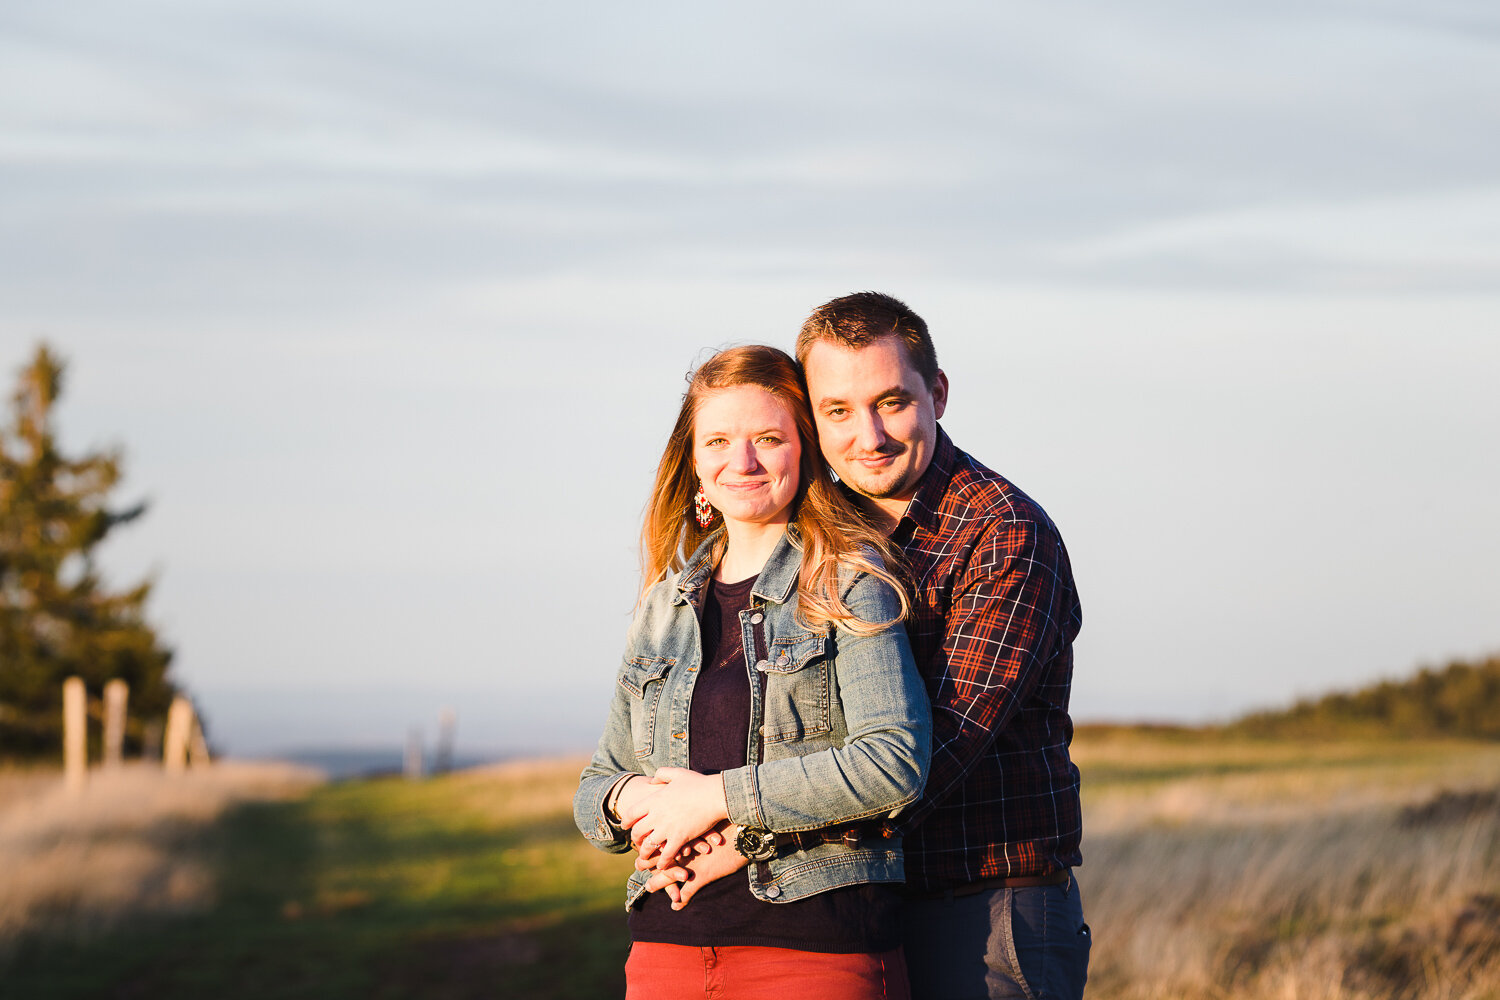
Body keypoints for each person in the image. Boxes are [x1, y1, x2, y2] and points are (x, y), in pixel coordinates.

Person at [650, 294, 1090, 1000]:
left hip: (979, 903)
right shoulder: (808, 537)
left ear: (937, 394)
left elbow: (935, 749)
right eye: (838, 411)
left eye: (892, 402)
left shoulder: (1004, 535)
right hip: (847, 911)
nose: (871, 435)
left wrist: (740, 830)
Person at [573, 344, 932, 1000]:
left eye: (768, 438)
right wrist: (640, 802)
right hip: (665, 949)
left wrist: (710, 801)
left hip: (811, 950)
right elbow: (597, 785)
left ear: (805, 449)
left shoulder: (848, 581)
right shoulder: (663, 606)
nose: (741, 462)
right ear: (695, 464)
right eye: (717, 441)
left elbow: (892, 763)